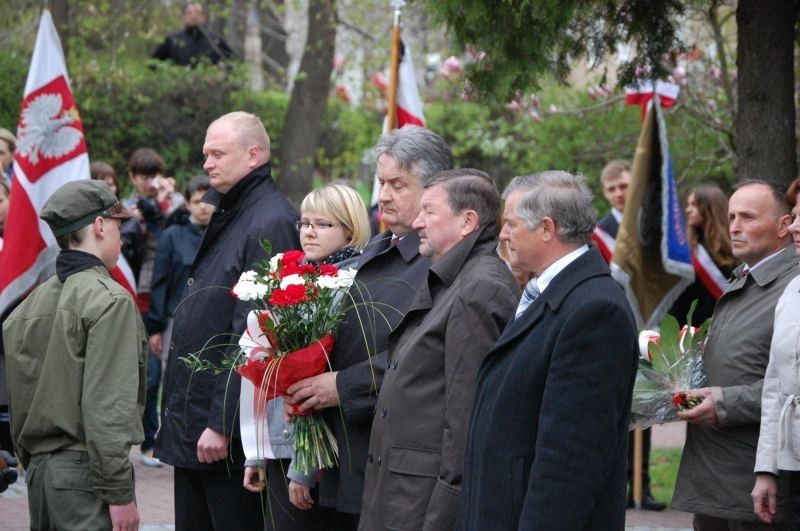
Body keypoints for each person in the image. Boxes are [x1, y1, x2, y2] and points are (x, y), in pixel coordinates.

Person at [284, 126, 452, 527]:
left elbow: (420, 356)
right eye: (381, 183)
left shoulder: (438, 265)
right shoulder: (375, 249)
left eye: (398, 184)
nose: (385, 195)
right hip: (335, 456)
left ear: (433, 190)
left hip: (387, 457)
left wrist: (340, 386)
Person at [458, 171, 639, 530]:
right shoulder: (551, 293)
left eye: (510, 224)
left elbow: (570, 462)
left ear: (546, 229)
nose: (503, 234)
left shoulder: (593, 311)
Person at [154, 111, 299, 530]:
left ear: (253, 155)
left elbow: (253, 333)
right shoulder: (236, 210)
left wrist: (221, 424)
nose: (207, 164)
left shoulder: (269, 218)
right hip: (198, 421)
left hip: (226, 436)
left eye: (217, 153)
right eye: (206, 154)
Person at [358, 169, 519, 530]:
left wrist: (444, 515)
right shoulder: (455, 279)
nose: (417, 222)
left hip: (422, 504)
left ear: (467, 221)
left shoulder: (480, 288)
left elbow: (465, 419)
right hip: (403, 493)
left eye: (429, 211)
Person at [3, 179, 146, 530]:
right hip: (87, 479)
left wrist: (36, 463)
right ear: (99, 226)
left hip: (40, 475)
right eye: (116, 226)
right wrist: (119, 492)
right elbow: (108, 405)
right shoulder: (109, 300)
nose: (121, 237)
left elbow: (19, 403)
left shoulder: (26, 306)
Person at [671, 180, 799, 530]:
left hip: (756, 478)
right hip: (717, 476)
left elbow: (790, 387)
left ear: (784, 225)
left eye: (748, 217)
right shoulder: (743, 278)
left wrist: (725, 402)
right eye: (731, 217)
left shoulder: (793, 285)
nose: (735, 227)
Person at [242, 183, 370, 530]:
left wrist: (304, 465)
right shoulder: (289, 273)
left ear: (349, 229)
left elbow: (319, 375)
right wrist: (256, 448)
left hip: (315, 453)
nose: (309, 232)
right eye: (304, 222)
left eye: (323, 224)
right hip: (279, 439)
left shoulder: (350, 283)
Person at [593, 158, 665, 511]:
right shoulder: (599, 233)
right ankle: (619, 486)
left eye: (624, 186)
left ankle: (644, 487)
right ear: (605, 193)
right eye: (612, 189)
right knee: (616, 411)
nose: (620, 194)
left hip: (647, 325)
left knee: (646, 406)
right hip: (613, 327)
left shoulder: (649, 228)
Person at [751, 177, 800, 525]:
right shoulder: (792, 292)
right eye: (794, 215)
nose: (794, 226)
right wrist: (766, 469)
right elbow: (774, 388)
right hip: (793, 465)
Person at [121, 147, 170, 467]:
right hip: (129, 299)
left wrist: (166, 202)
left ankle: (150, 439)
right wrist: (133, 220)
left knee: (154, 376)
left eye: (154, 176)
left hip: (159, 301)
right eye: (143, 176)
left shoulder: (170, 206)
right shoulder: (125, 209)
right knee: (130, 375)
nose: (149, 182)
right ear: (132, 178)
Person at [147, 174, 215, 361]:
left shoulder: (224, 234)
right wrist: (156, 328)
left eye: (208, 200)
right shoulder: (172, 235)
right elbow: (160, 281)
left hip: (213, 321)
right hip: (175, 320)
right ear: (187, 204)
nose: (203, 206)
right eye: (196, 201)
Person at [670, 185, 737, 325]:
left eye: (694, 205)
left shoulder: (734, 247)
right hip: (692, 330)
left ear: (710, 207)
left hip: (727, 324)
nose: (688, 210)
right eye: (688, 205)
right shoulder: (686, 249)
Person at [152, 2, 232, 67]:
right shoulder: (172, 40)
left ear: (204, 17)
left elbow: (234, 62)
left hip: (208, 86)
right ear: (183, 17)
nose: (194, 16)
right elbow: (152, 64)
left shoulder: (215, 41)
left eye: (197, 12)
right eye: (189, 13)